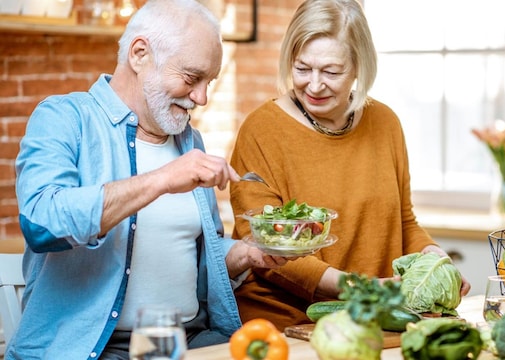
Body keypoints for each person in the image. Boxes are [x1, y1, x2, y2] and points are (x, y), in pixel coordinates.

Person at [9, 0, 288, 358]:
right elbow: (41, 222)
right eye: (191, 78)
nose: (201, 97)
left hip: (190, 340)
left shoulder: (190, 141)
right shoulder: (64, 118)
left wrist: (247, 254)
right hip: (94, 349)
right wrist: (161, 179)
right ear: (140, 54)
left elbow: (194, 254)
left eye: (209, 82)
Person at [228, 0, 471, 331]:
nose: (314, 85)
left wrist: (435, 262)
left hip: (372, 319)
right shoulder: (261, 130)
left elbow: (403, 221)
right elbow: (265, 246)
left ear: (359, 67)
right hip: (287, 325)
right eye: (302, 68)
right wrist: (360, 288)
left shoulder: (385, 123)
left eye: (331, 71)